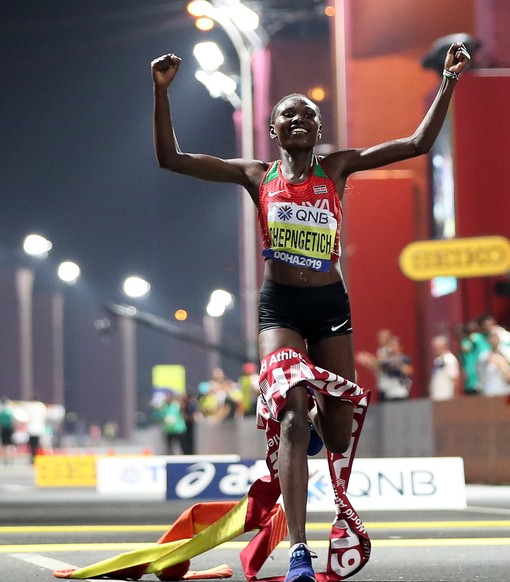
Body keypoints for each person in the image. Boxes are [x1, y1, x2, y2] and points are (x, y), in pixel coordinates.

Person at [152, 41, 470, 582]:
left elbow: (418, 143)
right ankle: (299, 548)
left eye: (308, 114)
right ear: (273, 130)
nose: (298, 119)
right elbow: (171, 159)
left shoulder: (338, 166)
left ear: (318, 128)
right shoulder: (256, 176)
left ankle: (321, 427)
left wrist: (449, 82)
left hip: (330, 305)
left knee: (339, 435)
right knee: (295, 414)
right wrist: (161, 93)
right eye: (287, 114)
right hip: (281, 307)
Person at [428, 335, 461, 401]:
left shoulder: (449, 359)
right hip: (437, 397)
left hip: (446, 397)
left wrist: (455, 395)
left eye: (437, 347)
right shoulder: (437, 360)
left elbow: (455, 378)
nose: (434, 349)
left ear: (443, 346)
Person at [0, 398, 15, 464]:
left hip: (2, 429)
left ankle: (5, 459)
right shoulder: (10, 412)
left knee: (3, 446)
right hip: (9, 429)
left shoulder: (0, 412)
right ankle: (11, 458)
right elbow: (13, 421)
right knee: (11, 445)